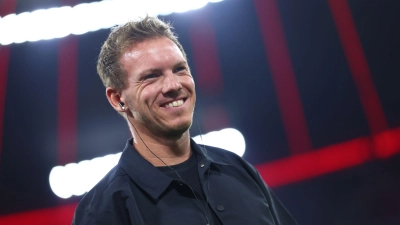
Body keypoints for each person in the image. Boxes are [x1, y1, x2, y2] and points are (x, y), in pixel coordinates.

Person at [72, 16, 298, 225]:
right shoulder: (103, 210)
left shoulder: (238, 170)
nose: (173, 85)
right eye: (151, 76)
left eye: (180, 69)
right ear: (118, 99)